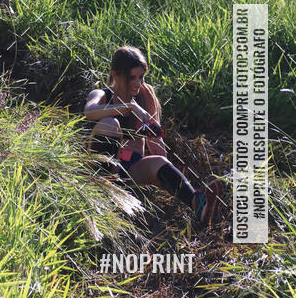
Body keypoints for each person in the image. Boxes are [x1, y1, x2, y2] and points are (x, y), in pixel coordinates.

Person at [84, 46, 223, 225]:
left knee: (160, 162)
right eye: (131, 77)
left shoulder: (144, 96)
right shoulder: (102, 94)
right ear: (115, 74)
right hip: (101, 168)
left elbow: (158, 147)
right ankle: (103, 189)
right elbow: (89, 112)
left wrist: (162, 173)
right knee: (111, 124)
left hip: (129, 168)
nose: (137, 83)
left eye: (141, 77)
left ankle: (197, 204)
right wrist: (129, 107)